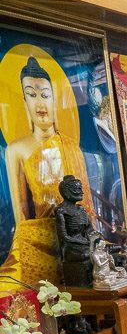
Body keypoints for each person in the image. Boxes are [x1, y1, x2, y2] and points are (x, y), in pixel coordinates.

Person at [3, 56, 94, 286]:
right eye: (32, 95)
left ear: (55, 100)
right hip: (36, 244)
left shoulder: (71, 146)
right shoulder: (16, 150)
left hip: (77, 243)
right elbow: (22, 220)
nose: (40, 104)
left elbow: (87, 208)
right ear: (24, 102)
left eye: (45, 95)